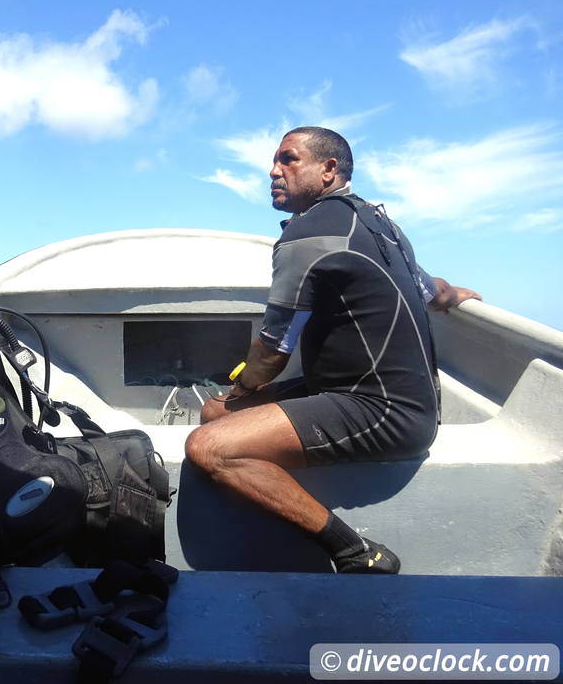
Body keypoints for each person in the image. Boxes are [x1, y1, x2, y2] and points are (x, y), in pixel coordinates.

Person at [184, 126, 481, 574]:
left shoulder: (306, 235)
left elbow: (271, 351)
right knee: (217, 412)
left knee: (210, 446)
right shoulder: (380, 223)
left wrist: (243, 384)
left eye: (288, 159)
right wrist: (455, 293)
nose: (273, 170)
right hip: (396, 395)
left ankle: (355, 553)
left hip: (384, 410)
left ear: (328, 170)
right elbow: (429, 290)